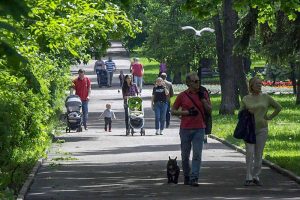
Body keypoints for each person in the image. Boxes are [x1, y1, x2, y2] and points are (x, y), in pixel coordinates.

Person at [171, 72, 211, 187]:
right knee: (184, 156)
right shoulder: (182, 95)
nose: (198, 83)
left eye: (198, 81)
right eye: (195, 81)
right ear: (188, 83)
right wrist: (186, 113)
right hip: (185, 128)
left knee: (197, 154)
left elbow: (209, 110)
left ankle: (194, 178)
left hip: (199, 128)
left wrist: (203, 101)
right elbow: (173, 110)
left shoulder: (203, 94)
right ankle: (187, 176)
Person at [241, 76, 282, 186]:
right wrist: (246, 111)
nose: (259, 86)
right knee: (249, 152)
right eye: (257, 84)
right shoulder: (245, 98)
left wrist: (270, 117)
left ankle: (256, 175)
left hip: (262, 129)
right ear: (251, 86)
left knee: (258, 153)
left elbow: (278, 107)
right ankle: (248, 176)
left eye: (260, 84)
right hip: (249, 129)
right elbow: (240, 114)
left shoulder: (266, 97)